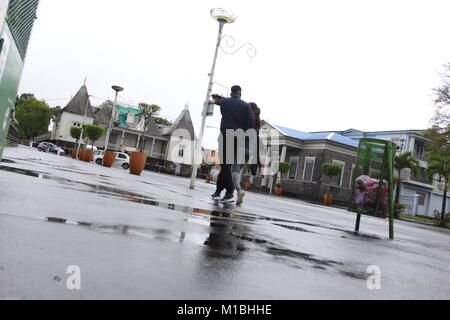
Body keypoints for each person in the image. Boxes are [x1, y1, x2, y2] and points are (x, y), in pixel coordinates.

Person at [211, 85, 254, 203]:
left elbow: (223, 101)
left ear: (231, 92)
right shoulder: (246, 106)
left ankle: (221, 192)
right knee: (230, 167)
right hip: (239, 137)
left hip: (225, 136)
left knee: (225, 166)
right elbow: (250, 123)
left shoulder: (224, 102)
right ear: (240, 93)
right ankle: (228, 193)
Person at [231, 102, 261, 205]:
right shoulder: (257, 121)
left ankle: (239, 192)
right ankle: (235, 193)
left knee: (234, 170)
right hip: (250, 150)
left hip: (241, 147)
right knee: (238, 171)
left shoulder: (247, 118)